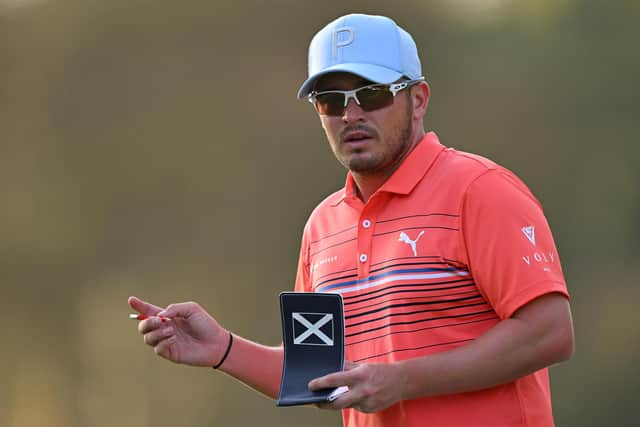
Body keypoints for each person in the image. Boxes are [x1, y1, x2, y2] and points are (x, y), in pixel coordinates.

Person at [129, 13, 574, 427]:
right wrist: (223, 349)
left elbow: (549, 333)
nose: (352, 114)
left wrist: (402, 380)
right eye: (330, 100)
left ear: (418, 100)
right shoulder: (322, 226)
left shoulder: (480, 190)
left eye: (373, 94)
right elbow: (316, 371)